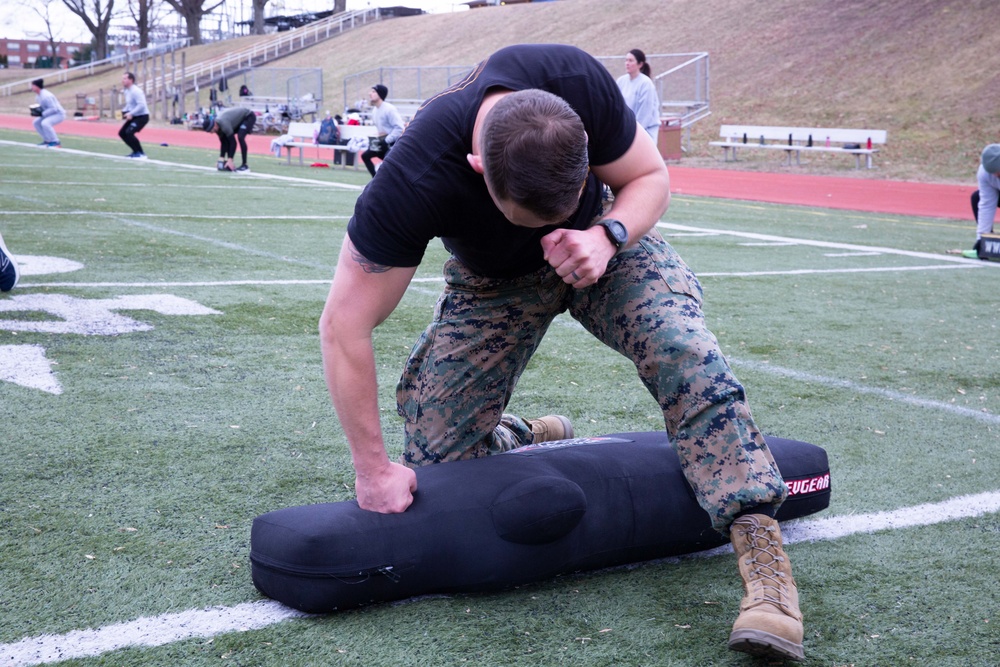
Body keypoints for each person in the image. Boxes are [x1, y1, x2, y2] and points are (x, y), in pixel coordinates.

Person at [319, 44, 805, 661]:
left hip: (602, 246)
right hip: (493, 284)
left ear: (583, 153)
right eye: (523, 218)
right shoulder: (418, 173)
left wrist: (606, 234)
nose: (537, 231)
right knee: (437, 462)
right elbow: (343, 326)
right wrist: (372, 470)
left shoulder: (576, 83)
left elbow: (650, 177)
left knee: (682, 347)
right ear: (475, 167)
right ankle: (522, 433)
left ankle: (763, 559)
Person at [616, 48, 660, 142]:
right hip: (626, 131)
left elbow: (646, 113)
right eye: (626, 60)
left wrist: (635, 132)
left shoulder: (646, 83)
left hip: (644, 131)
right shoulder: (621, 81)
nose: (627, 63)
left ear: (640, 64)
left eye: (631, 60)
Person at [360, 84, 405, 177]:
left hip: (392, 144)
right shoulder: (375, 110)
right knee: (365, 156)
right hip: (382, 144)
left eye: (373, 91)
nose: (370, 94)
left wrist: (387, 140)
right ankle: (374, 181)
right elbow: (381, 130)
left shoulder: (389, 109)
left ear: (380, 94)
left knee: (387, 165)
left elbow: (399, 128)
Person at [967, 143, 1000, 257]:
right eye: (993, 172)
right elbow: (986, 205)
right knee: (977, 197)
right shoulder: (984, 173)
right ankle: (989, 242)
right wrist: (982, 239)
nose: (996, 175)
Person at [201, 107, 257, 172]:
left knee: (240, 137)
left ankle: (245, 165)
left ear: (215, 125)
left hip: (248, 116)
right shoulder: (217, 128)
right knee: (226, 138)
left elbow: (233, 142)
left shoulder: (224, 124)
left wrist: (230, 159)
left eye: (211, 130)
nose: (211, 133)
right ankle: (229, 163)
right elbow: (223, 143)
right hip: (238, 120)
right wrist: (221, 158)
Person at [120, 72, 150, 159]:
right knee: (122, 133)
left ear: (131, 80)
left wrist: (131, 113)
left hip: (142, 116)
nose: (123, 80)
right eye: (123, 78)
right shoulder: (127, 91)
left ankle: (141, 153)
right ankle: (135, 151)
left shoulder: (136, 91)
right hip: (134, 116)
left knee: (129, 132)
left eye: (125, 78)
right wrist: (124, 112)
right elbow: (130, 104)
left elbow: (141, 105)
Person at [30, 78, 65, 148]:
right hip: (50, 113)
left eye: (33, 86)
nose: (32, 87)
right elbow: (43, 107)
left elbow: (54, 108)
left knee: (45, 123)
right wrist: (37, 111)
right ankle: (47, 140)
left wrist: (42, 113)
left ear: (37, 87)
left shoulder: (46, 96)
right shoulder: (38, 96)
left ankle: (55, 141)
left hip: (58, 114)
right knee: (36, 122)